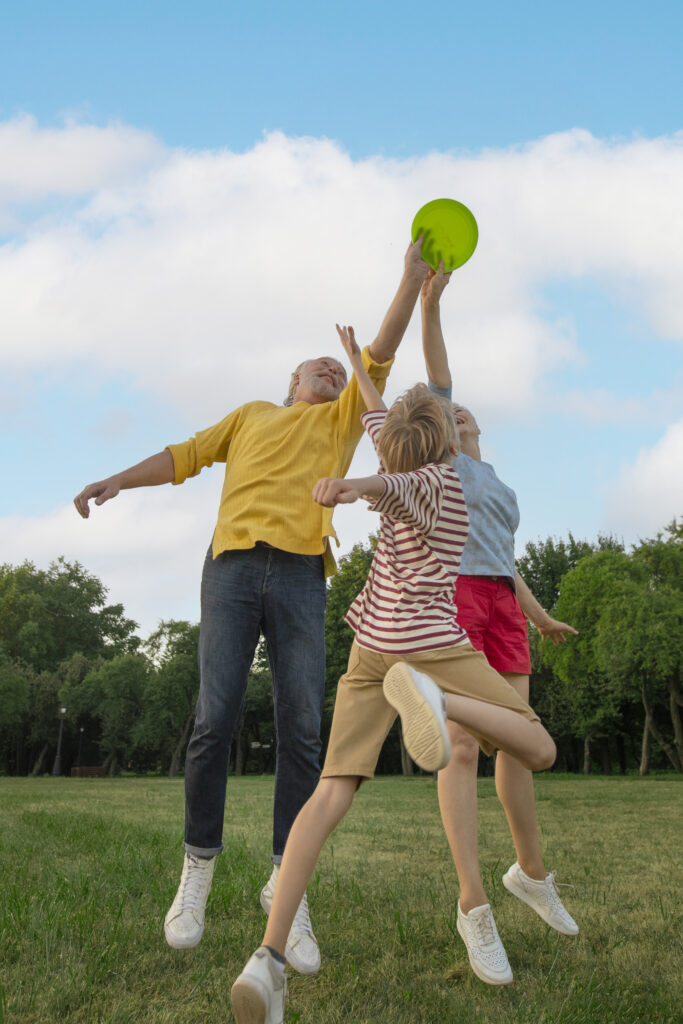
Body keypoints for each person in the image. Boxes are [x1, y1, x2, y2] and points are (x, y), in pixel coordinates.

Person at [73, 240, 431, 974]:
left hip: (301, 573)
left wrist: (407, 279)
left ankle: (286, 888)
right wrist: (116, 477)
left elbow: (383, 347)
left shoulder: (338, 423)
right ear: (290, 380)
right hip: (232, 569)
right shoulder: (248, 417)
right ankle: (197, 866)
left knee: (302, 728)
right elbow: (181, 457)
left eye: (339, 370)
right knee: (214, 718)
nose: (332, 371)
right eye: (320, 366)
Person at [230, 325, 557, 1024]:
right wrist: (355, 483)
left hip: (368, 649)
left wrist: (358, 369)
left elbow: (381, 440)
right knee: (535, 746)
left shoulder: (393, 450)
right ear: (442, 443)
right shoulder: (439, 479)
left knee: (328, 796)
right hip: (426, 647)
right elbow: (395, 478)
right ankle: (446, 706)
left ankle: (268, 957)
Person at [420, 264, 579, 986]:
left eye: (461, 415)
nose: (455, 418)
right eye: (446, 417)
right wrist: (431, 304)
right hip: (451, 602)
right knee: (457, 749)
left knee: (517, 745)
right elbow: (438, 376)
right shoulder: (444, 470)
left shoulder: (500, 486)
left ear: (477, 427)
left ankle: (529, 872)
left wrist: (539, 618)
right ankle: (471, 904)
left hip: (501, 607)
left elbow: (505, 562)